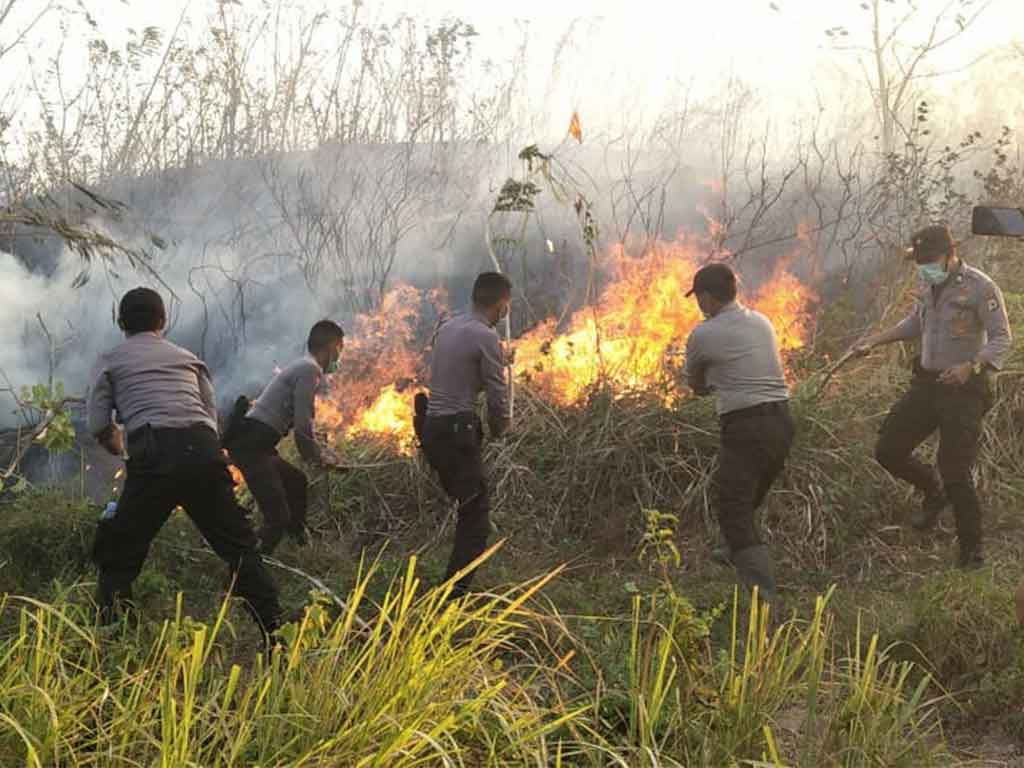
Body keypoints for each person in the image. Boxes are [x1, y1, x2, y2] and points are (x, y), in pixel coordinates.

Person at [87, 287, 282, 638]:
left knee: (119, 551)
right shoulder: (189, 359)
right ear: (163, 321)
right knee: (240, 549)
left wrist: (122, 448)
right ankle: (276, 635)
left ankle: (113, 638)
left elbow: (100, 424)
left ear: (120, 323)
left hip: (155, 455)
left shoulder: (110, 360)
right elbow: (209, 419)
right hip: (203, 453)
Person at [852, 224, 1011, 568]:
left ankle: (972, 551)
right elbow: (916, 323)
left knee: (955, 470)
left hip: (964, 391)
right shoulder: (927, 283)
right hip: (926, 385)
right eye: (919, 261)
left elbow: (1001, 338)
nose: (924, 266)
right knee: (889, 450)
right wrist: (874, 341)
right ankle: (932, 491)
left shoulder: (980, 287)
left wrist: (971, 366)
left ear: (950, 254)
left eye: (930, 260)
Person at [683, 263, 794, 604]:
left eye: (697, 298)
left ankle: (765, 599)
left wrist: (706, 382)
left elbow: (695, 385)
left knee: (732, 504)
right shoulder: (762, 321)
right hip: (783, 423)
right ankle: (734, 547)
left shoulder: (703, 334)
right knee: (747, 498)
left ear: (704, 297)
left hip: (747, 426)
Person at [419, 272, 512, 598]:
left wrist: (497, 359)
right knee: (476, 517)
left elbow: (461, 373)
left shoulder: (448, 327)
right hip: (457, 432)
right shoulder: (485, 336)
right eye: (507, 305)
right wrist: (502, 428)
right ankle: (452, 599)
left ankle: (451, 588)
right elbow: (497, 396)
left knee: (467, 505)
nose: (506, 312)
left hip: (432, 430)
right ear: (501, 304)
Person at [223, 320, 346, 555]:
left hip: (260, 446)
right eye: (340, 348)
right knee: (277, 517)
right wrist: (316, 459)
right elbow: (302, 426)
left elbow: (304, 427)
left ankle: (297, 543)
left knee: (296, 482)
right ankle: (247, 565)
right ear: (331, 347)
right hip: (251, 447)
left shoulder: (304, 368)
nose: (339, 356)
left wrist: (323, 453)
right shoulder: (310, 370)